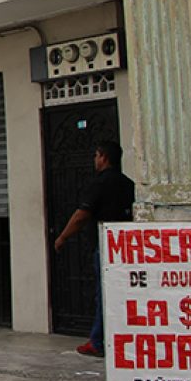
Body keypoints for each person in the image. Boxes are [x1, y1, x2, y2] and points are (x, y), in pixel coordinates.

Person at [53, 139, 135, 358]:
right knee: (121, 294)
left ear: (103, 157)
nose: (94, 160)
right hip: (125, 247)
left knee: (103, 294)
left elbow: (81, 216)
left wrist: (62, 237)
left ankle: (98, 341)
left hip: (105, 246)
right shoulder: (128, 183)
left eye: (96, 156)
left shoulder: (99, 183)